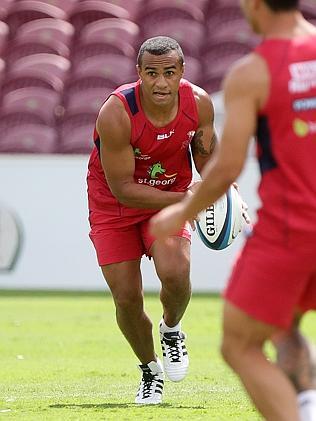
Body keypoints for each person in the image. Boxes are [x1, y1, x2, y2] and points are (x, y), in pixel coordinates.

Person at [150, 1, 316, 419]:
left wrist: (179, 212)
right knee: (283, 325)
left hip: (291, 230)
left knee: (238, 343)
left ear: (256, 5)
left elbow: (226, 167)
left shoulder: (252, 73)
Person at [87, 36, 218, 404]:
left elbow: (208, 161)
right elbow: (125, 189)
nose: (161, 82)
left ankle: (172, 329)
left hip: (169, 200)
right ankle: (149, 370)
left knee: (176, 272)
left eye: (169, 73)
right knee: (127, 298)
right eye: (152, 73)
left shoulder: (199, 104)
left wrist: (223, 191)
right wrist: (188, 198)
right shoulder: (115, 112)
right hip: (113, 204)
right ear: (139, 74)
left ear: (182, 74)